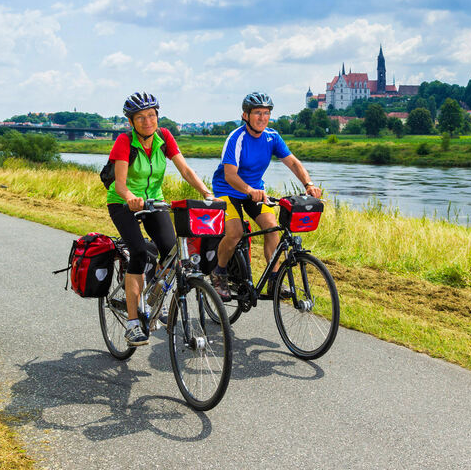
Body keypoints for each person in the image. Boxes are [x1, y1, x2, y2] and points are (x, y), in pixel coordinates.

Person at [108, 91, 215, 346]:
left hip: (154, 200)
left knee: (171, 251)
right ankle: (133, 323)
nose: (147, 121)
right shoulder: (124, 141)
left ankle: (155, 295)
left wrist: (206, 193)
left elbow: (185, 169)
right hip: (123, 202)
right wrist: (131, 198)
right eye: (141, 117)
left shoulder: (164, 137)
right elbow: (119, 183)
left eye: (152, 115)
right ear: (131, 122)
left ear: (158, 116)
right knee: (139, 253)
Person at [210, 92, 322, 301]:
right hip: (228, 190)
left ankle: (274, 280)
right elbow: (230, 175)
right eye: (257, 113)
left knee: (272, 227)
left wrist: (309, 184)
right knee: (234, 233)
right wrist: (250, 190)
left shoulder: (272, 137)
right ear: (246, 115)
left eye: (266, 113)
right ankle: (220, 272)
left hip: (255, 192)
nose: (262, 118)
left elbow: (294, 163)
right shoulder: (236, 138)